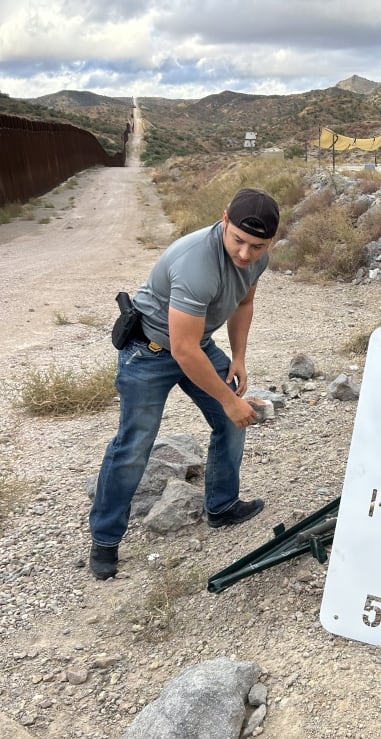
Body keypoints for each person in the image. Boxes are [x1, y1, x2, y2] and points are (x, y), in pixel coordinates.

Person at [89, 188, 280, 579]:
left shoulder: (255, 260)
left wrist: (239, 356)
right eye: (239, 241)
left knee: (232, 422)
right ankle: (105, 541)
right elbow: (183, 349)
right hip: (150, 350)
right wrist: (228, 400)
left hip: (198, 344)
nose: (245, 254)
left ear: (270, 242)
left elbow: (243, 302)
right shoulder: (197, 262)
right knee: (134, 445)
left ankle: (222, 507)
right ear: (224, 220)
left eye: (257, 247)